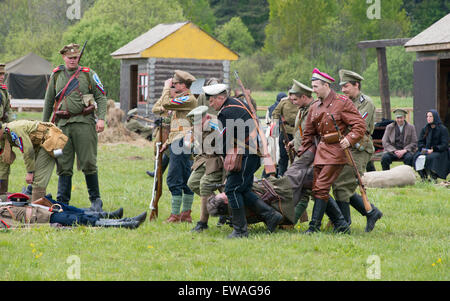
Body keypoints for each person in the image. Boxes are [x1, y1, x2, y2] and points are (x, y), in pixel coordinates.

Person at [205, 83, 283, 238]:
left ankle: (240, 230)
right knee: (243, 189)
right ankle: (271, 216)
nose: (210, 103)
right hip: (250, 153)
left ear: (221, 97)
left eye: (212, 100)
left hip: (244, 154)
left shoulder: (227, 111)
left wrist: (219, 153)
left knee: (232, 190)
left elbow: (224, 139)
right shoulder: (236, 103)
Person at [298, 68, 366, 234]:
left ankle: (313, 227)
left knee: (321, 188)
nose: (313, 90)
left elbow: (360, 125)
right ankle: (342, 225)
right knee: (317, 190)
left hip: (337, 152)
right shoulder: (315, 107)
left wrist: (349, 139)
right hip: (320, 152)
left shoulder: (342, 102)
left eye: (315, 87)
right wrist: (301, 152)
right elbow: (308, 133)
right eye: (312, 86)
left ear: (326, 85)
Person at [43, 43, 107, 212]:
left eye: (75, 57)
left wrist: (101, 118)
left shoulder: (88, 75)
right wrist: (45, 125)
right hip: (62, 125)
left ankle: (95, 200)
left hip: (85, 124)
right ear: (63, 57)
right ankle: (63, 201)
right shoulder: (56, 75)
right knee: (63, 163)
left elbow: (101, 97)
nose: (73, 60)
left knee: (88, 162)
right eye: (70, 57)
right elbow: (49, 101)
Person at [330, 70, 382, 232]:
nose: (343, 90)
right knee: (340, 184)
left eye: (346, 86)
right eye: (342, 87)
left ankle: (344, 224)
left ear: (356, 85)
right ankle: (371, 212)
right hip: (345, 147)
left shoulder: (366, 103)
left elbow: (358, 125)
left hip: (360, 148)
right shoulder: (344, 101)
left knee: (342, 184)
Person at [159, 70, 197, 223]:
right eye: (172, 84)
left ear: (183, 85)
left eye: (175, 83)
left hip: (182, 141)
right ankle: (185, 214)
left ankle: (176, 215)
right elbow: (176, 125)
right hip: (179, 140)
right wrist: (167, 143)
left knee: (174, 177)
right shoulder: (183, 98)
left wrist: (166, 88)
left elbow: (165, 103)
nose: (173, 85)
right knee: (185, 176)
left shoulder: (188, 99)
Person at [0, 120, 69, 202]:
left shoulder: (14, 130)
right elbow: (4, 161)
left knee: (38, 179)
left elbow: (28, 150)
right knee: (36, 178)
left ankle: (37, 210)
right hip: (38, 144)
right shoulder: (4, 135)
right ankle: (35, 202)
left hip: (49, 141)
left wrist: (30, 172)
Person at [0, 193, 144, 229]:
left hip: (37, 208)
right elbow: (12, 226)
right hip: (39, 217)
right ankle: (123, 223)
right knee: (74, 219)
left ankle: (108, 216)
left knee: (61, 206)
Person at [186, 106, 225, 232]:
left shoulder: (216, 127)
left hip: (217, 160)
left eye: (199, 122)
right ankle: (221, 207)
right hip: (204, 160)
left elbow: (225, 149)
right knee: (192, 183)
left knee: (205, 185)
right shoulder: (196, 127)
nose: (197, 125)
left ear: (207, 117)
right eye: (195, 123)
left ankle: (203, 222)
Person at [284, 80, 316, 224]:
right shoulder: (303, 109)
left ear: (304, 97)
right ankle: (290, 221)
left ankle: (289, 222)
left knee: (306, 189)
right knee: (304, 189)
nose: (294, 102)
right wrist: (293, 143)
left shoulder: (314, 110)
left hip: (311, 154)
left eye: (296, 99)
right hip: (301, 151)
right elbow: (301, 132)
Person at [413, 110, 449, 181]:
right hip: (426, 150)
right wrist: (424, 149)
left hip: (439, 151)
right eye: (427, 116)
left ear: (435, 117)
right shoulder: (425, 129)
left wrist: (433, 149)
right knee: (417, 156)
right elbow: (420, 142)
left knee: (431, 158)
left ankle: (433, 177)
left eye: (430, 116)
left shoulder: (443, 129)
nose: (428, 118)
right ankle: (423, 176)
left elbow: (444, 144)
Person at [271, 87, 300, 176]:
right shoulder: (284, 102)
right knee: (283, 156)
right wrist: (278, 123)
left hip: (298, 132)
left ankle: (295, 176)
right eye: (290, 94)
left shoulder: (300, 102)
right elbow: (275, 113)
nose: (292, 97)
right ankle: (281, 175)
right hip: (285, 131)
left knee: (297, 155)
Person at [0, 64, 15, 196]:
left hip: (3, 131)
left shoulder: (3, 90)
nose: (1, 77)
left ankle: (2, 194)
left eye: (3, 74)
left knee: (5, 160)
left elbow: (8, 110)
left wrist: (12, 124)